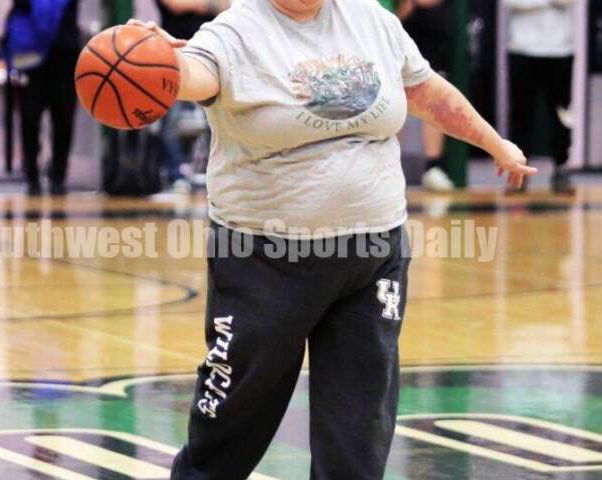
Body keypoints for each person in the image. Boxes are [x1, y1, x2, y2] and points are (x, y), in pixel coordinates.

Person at [128, 0, 536, 476]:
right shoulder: (235, 32)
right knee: (233, 422)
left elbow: (426, 91)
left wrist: (494, 143)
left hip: (372, 256)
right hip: (265, 261)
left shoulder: (371, 19)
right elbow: (192, 74)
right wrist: (156, 59)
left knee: (358, 432)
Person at [6, 0, 80, 196]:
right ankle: (32, 174)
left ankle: (58, 175)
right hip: (32, 56)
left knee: (63, 119)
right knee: (30, 117)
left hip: (64, 54)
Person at [157, 0, 228, 193]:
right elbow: (177, 5)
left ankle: (211, 176)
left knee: (216, 122)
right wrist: (210, 4)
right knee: (170, 123)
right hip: (175, 53)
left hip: (213, 54)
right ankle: (175, 176)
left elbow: (228, 5)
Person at [506, 0, 575, 194]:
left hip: (560, 50)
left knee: (562, 114)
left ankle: (562, 168)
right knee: (521, 113)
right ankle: (518, 172)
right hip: (522, 49)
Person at [399, 0, 455, 192]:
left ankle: (433, 168)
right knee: (396, 109)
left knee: (435, 107)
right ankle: (391, 167)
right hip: (399, 52)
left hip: (432, 50)